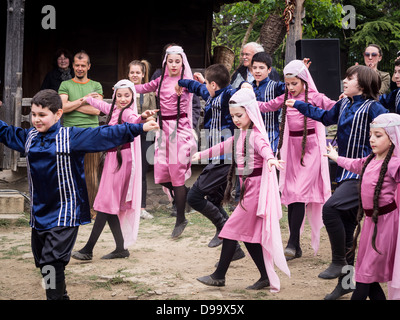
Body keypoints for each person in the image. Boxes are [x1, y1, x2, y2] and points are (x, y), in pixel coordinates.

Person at [0, 89, 158, 300]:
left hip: (65, 212)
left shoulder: (71, 137)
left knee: (51, 261)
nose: (36, 119)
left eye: (42, 115)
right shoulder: (29, 138)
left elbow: (105, 134)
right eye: (34, 114)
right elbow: (5, 132)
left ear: (58, 114)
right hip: (39, 214)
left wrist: (139, 127)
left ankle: (56, 297)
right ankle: (57, 294)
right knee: (45, 263)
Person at [287, 64, 388, 300]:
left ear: (361, 84)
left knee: (330, 208)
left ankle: (337, 261)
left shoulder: (374, 108)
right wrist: (299, 104)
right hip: (344, 172)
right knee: (347, 229)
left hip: (365, 175)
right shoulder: (343, 103)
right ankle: (347, 282)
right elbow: (324, 116)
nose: (344, 81)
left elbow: (392, 130)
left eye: (349, 78)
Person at [194, 88, 289, 292]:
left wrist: (271, 159)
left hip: (256, 192)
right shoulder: (241, 134)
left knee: (229, 231)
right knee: (248, 237)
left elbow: (265, 149)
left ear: (250, 112)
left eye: (240, 115)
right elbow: (224, 146)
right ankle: (264, 276)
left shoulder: (255, 135)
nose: (236, 119)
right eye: (233, 116)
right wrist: (201, 155)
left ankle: (219, 276)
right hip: (246, 190)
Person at [258, 60, 336, 261]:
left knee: (299, 192)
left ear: (303, 81)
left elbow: (334, 109)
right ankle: (295, 244)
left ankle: (293, 243)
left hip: (310, 149)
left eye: (294, 83)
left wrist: (347, 100)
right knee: (291, 193)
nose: (291, 88)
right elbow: (265, 107)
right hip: (290, 150)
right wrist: (246, 99)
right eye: (288, 84)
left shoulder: (315, 97)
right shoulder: (284, 97)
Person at [71, 80, 159, 261]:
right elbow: (102, 105)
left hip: (122, 160)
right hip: (112, 158)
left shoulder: (128, 112)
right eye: (119, 95)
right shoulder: (114, 110)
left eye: (127, 95)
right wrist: (88, 98)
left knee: (105, 203)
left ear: (132, 96)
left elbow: (135, 120)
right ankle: (121, 248)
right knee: (108, 204)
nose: (123, 99)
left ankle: (88, 249)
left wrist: (143, 117)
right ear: (115, 95)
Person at [176, 63, 248, 262]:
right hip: (213, 153)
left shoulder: (228, 95)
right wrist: (181, 83)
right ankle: (233, 248)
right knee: (215, 200)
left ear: (214, 84)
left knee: (195, 196)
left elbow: (239, 91)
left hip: (226, 156)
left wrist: (244, 87)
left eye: (207, 83)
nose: (204, 86)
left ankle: (223, 230)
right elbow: (196, 87)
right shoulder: (210, 93)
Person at [325, 113, 400, 300]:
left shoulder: (394, 163)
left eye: (378, 135)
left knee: (364, 277)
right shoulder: (369, 160)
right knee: (368, 275)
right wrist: (336, 157)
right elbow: (353, 164)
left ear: (392, 139)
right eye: (371, 135)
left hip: (386, 226)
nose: (372, 140)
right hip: (370, 224)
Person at [134, 46, 196, 239]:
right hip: (164, 131)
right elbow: (142, 88)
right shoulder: (160, 81)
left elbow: (202, 90)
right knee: (162, 175)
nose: (174, 65)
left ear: (182, 62)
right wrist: (123, 87)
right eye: (171, 61)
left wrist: (203, 82)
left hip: (181, 129)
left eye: (178, 61)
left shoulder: (187, 81)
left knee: (176, 173)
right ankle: (187, 195)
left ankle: (180, 218)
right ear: (166, 62)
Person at [58, 50, 103, 218]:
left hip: (91, 133)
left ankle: (93, 210)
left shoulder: (96, 85)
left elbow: (97, 110)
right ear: (73, 66)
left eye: (83, 65)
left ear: (89, 66)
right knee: (70, 172)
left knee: (91, 173)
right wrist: (84, 99)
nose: (80, 68)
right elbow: (63, 109)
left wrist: (72, 104)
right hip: (70, 133)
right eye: (77, 65)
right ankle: (74, 209)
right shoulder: (65, 85)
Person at [128, 60, 157, 219]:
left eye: (137, 72)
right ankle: (125, 206)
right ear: (128, 74)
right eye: (132, 72)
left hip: (145, 135)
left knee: (141, 170)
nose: (135, 75)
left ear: (143, 74)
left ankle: (141, 207)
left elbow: (154, 114)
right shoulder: (124, 90)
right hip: (127, 134)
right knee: (127, 169)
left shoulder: (149, 93)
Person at [251, 51, 285, 153]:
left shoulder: (275, 86)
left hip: (270, 136)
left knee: (270, 165)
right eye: (255, 68)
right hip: (250, 136)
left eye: (261, 68)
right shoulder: (248, 87)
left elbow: (293, 88)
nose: (257, 71)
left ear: (269, 70)